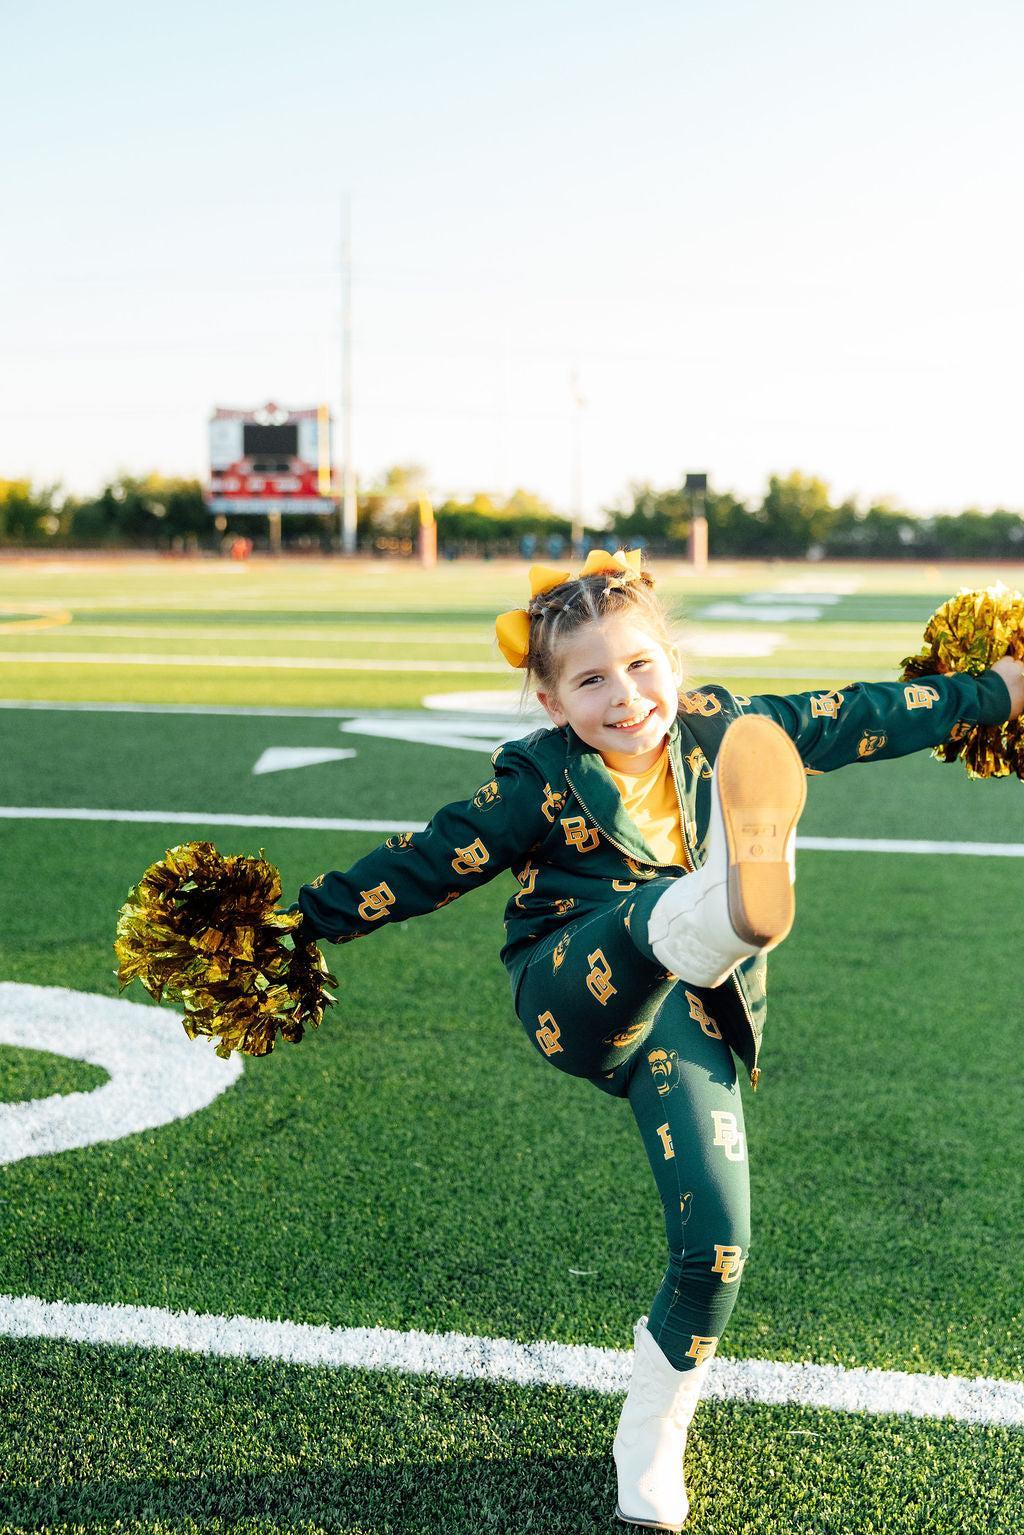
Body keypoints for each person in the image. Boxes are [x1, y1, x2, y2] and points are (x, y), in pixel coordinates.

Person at [293, 549, 1024, 1532]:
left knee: (718, 1242)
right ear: (552, 702)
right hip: (571, 984)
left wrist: (994, 688)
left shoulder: (725, 726)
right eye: (590, 679)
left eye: (640, 666)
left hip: (693, 1008)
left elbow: (859, 713)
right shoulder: (536, 783)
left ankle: (652, 1429)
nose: (624, 695)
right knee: (645, 920)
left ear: (670, 665)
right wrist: (287, 928)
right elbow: (422, 863)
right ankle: (722, 895)